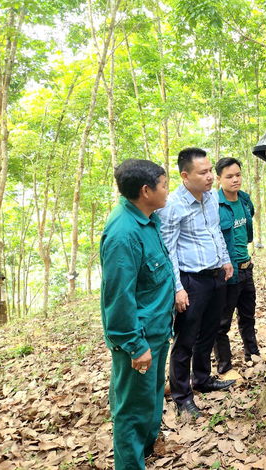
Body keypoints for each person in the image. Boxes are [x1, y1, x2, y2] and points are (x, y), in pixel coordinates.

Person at [100, 159, 174, 469]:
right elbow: (118, 298)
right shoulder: (124, 234)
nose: (168, 191)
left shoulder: (147, 219)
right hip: (139, 339)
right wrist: (134, 344)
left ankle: (145, 450)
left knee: (152, 401)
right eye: (164, 186)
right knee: (132, 411)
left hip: (157, 331)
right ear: (146, 191)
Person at [157, 147, 235, 420]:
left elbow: (215, 232)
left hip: (216, 276)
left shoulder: (212, 197)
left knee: (209, 333)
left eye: (211, 170)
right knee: (185, 340)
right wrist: (178, 287)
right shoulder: (172, 205)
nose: (211, 177)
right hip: (191, 280)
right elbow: (169, 250)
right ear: (185, 176)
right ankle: (182, 396)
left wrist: (225, 260)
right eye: (203, 172)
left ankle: (202, 379)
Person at [213, 157, 260, 380]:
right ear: (219, 179)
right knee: (222, 321)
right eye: (229, 176)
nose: (235, 180)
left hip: (246, 266)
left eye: (238, 175)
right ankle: (224, 366)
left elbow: (247, 226)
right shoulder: (213, 204)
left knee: (248, 315)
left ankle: (253, 354)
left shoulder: (244, 199)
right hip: (227, 272)